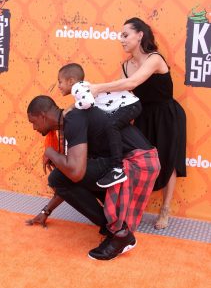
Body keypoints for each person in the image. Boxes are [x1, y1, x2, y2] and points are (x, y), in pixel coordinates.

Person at [26, 95, 160, 260]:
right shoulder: (71, 122)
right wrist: (46, 210)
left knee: (60, 176)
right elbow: (70, 178)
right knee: (62, 175)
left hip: (138, 162)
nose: (33, 128)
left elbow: (75, 173)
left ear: (42, 116)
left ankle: (120, 234)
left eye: (33, 122)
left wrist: (50, 153)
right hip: (129, 162)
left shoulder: (73, 120)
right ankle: (115, 231)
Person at [88, 17, 187, 230]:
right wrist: (91, 101)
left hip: (167, 115)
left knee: (168, 162)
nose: (121, 40)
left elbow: (133, 83)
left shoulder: (154, 58)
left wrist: (97, 86)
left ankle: (165, 210)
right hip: (143, 116)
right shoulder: (125, 66)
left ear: (140, 35)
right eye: (120, 36)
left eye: (125, 35)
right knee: (140, 161)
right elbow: (122, 92)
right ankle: (136, 208)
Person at [58, 63, 142, 188]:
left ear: (71, 81)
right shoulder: (82, 88)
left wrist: (73, 108)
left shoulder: (77, 88)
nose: (58, 86)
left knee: (111, 126)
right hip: (129, 105)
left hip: (130, 105)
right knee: (110, 125)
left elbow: (88, 102)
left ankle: (117, 169)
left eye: (60, 82)